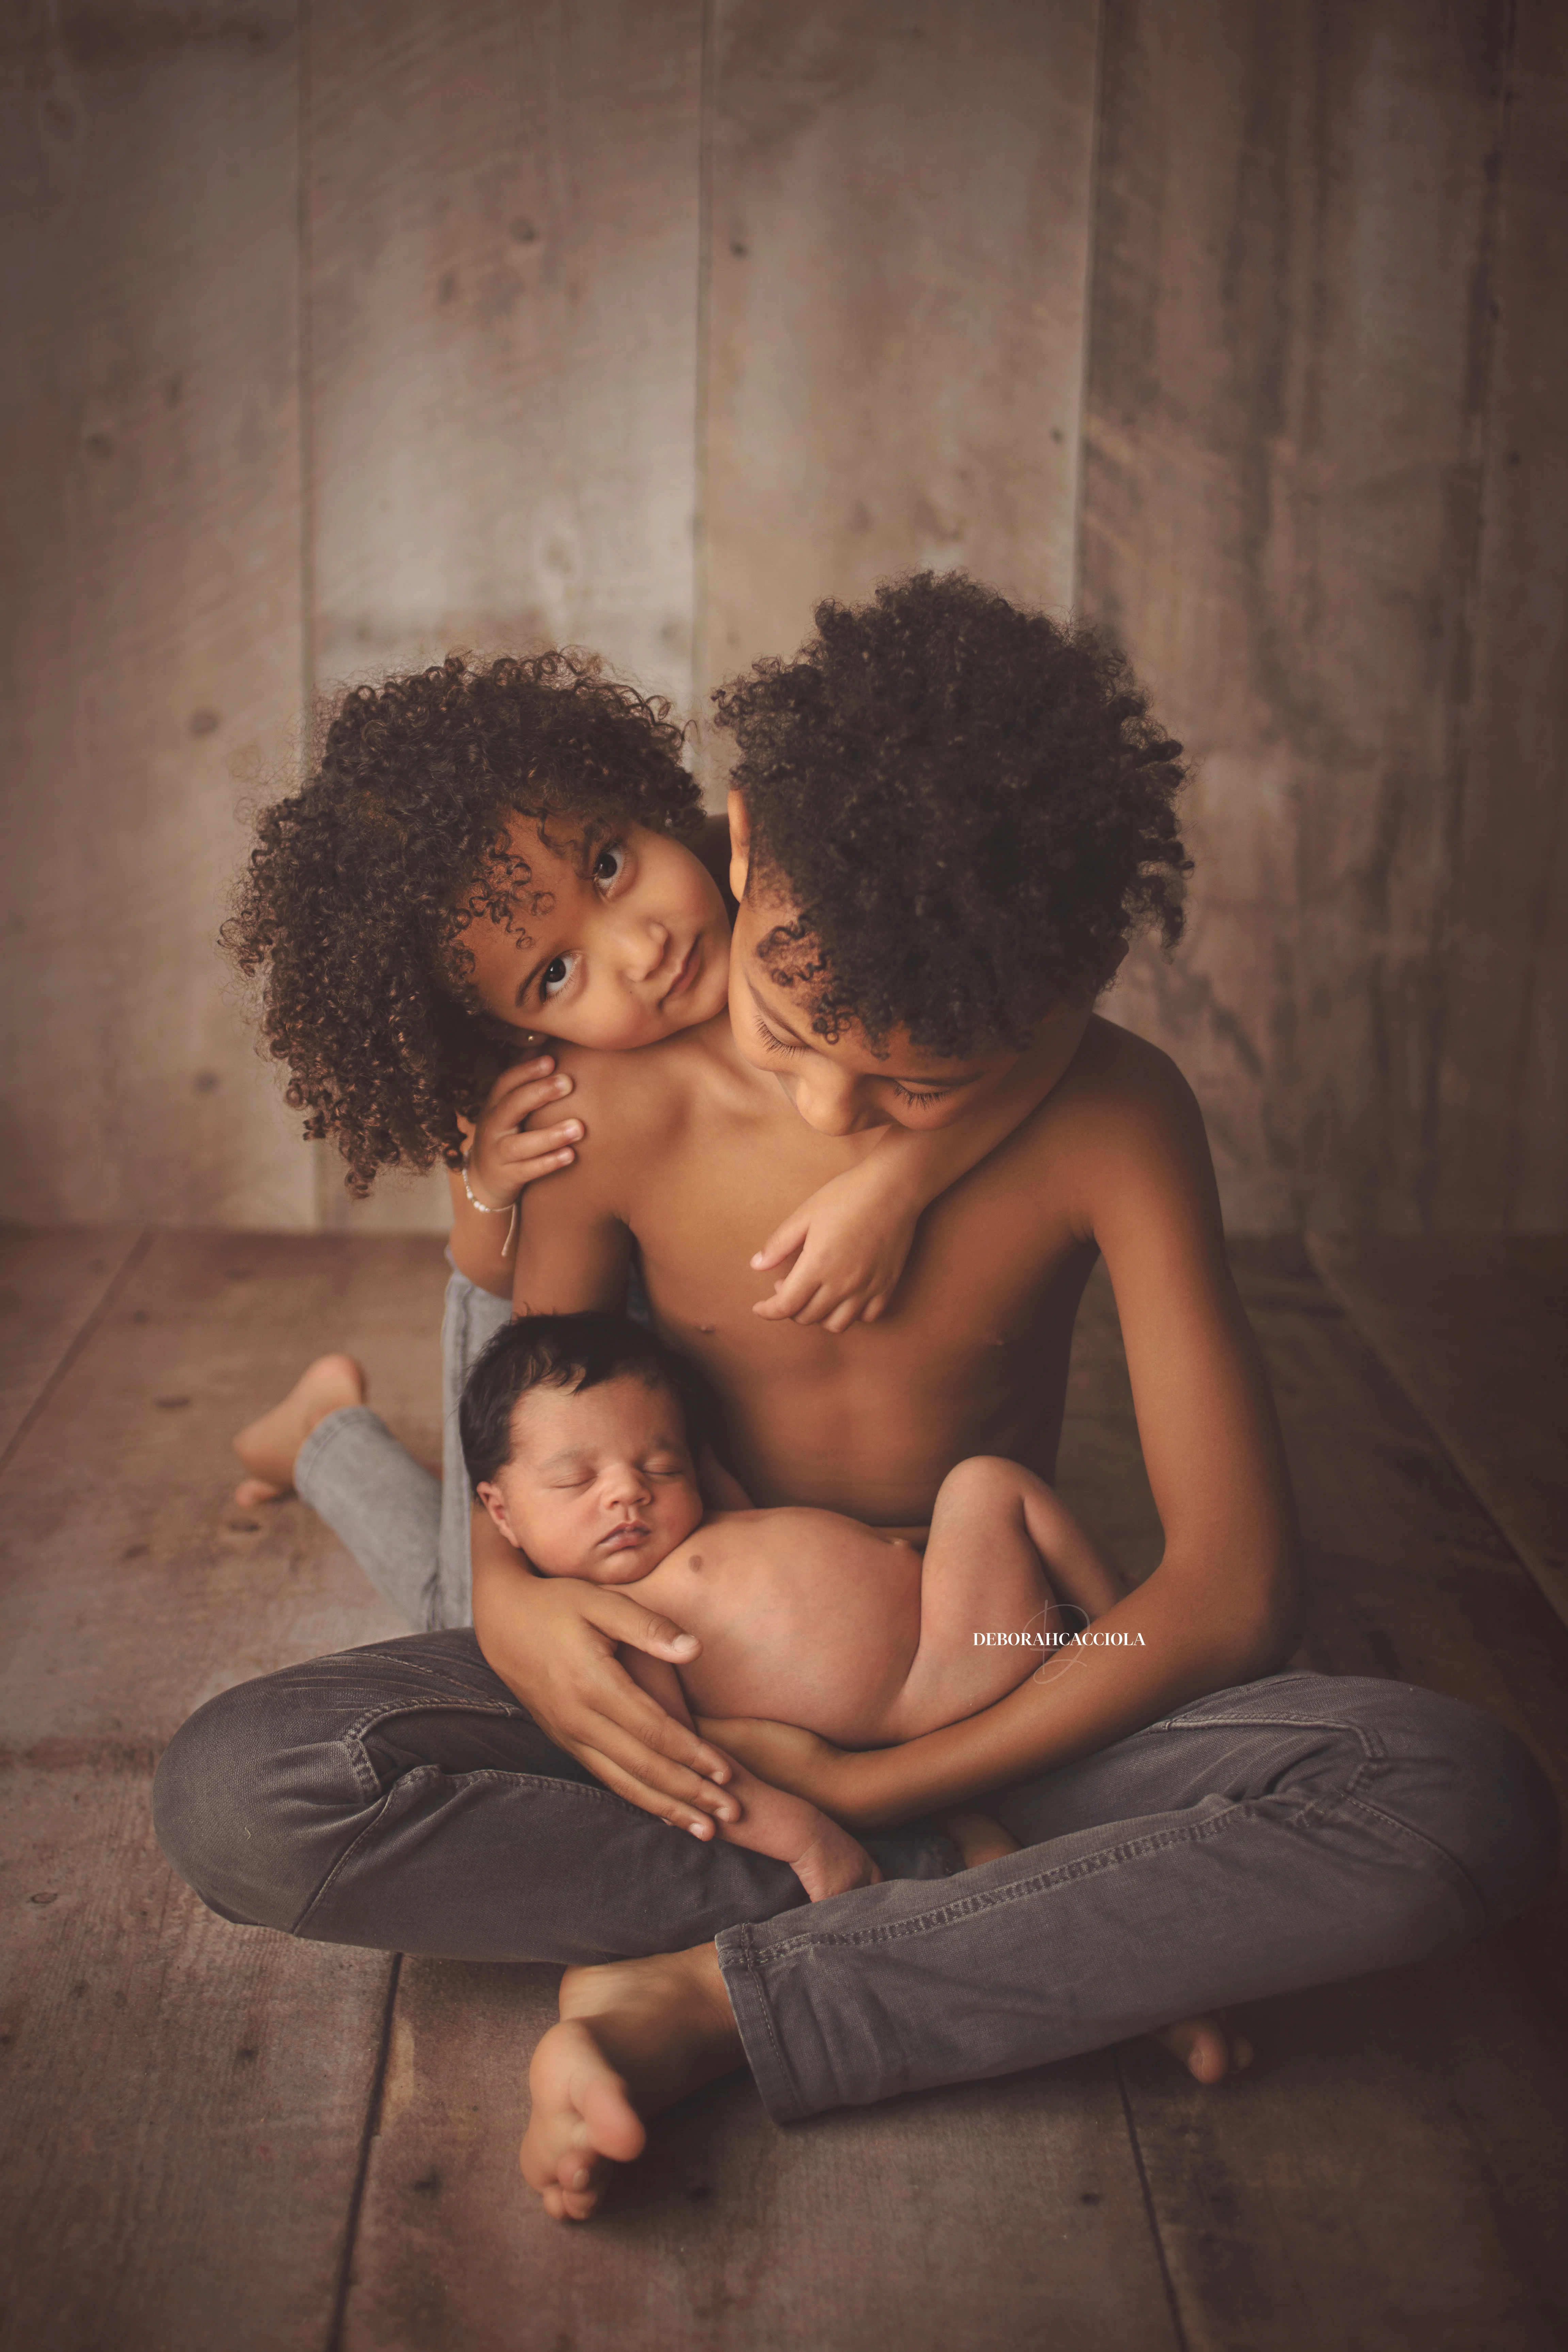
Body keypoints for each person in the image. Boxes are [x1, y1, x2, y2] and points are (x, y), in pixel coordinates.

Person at [157, 575, 1556, 2229]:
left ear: (1042, 1000)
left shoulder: (1114, 1113)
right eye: (788, 1022)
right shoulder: (605, 1107)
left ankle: (716, 1996)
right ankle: (1017, 1923)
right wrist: (523, 1606)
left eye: (922, 1082)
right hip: (696, 1718)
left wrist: (862, 1791)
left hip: (1029, 1687)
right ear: (747, 839)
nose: (831, 1103)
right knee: (244, 1784)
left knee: (1454, 1798)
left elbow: (1234, 1593)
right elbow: (541, 1423)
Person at [225, 643, 1092, 1625]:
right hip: (537, 1288)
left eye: (608, 864)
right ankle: (323, 1435)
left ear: (632, 797)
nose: (642, 948)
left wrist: (901, 1176)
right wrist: (484, 1182)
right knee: (468, 1617)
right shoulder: (551, 1090)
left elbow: (1063, 1000)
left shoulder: (776, 856)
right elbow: (488, 1277)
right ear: (513, 1026)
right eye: (554, 975)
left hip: (686, 1298)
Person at [459, 1308, 1126, 1897]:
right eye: (576, 1479)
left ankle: (1131, 1638)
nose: (627, 1492)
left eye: (661, 1466)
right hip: (940, 1675)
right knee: (987, 1484)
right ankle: (1127, 1637)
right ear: (500, 1512)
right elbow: (683, 1768)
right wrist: (807, 1841)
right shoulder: (609, 1623)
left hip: (969, 1636)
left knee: (986, 1486)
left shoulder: (705, 1516)